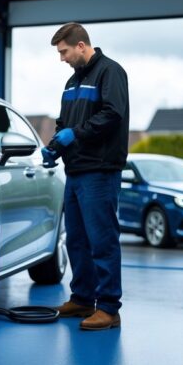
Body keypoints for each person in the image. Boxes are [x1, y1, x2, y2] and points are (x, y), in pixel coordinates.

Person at [43, 22, 129, 331]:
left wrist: (73, 135)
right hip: (76, 172)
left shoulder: (111, 72)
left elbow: (112, 114)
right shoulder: (70, 83)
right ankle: (82, 298)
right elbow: (65, 122)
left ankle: (108, 308)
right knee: (77, 240)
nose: (61, 58)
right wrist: (54, 146)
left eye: (64, 51)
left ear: (81, 46)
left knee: (102, 240)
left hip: (100, 171)